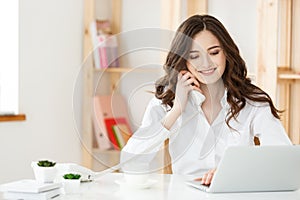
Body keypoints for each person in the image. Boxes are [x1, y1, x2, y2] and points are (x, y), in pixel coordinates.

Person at [120, 14, 292, 185]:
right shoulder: (167, 103)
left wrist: (234, 173)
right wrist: (176, 110)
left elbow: (285, 162)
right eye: (194, 56)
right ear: (184, 61)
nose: (206, 63)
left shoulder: (253, 102)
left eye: (214, 52)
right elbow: (132, 165)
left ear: (226, 52)